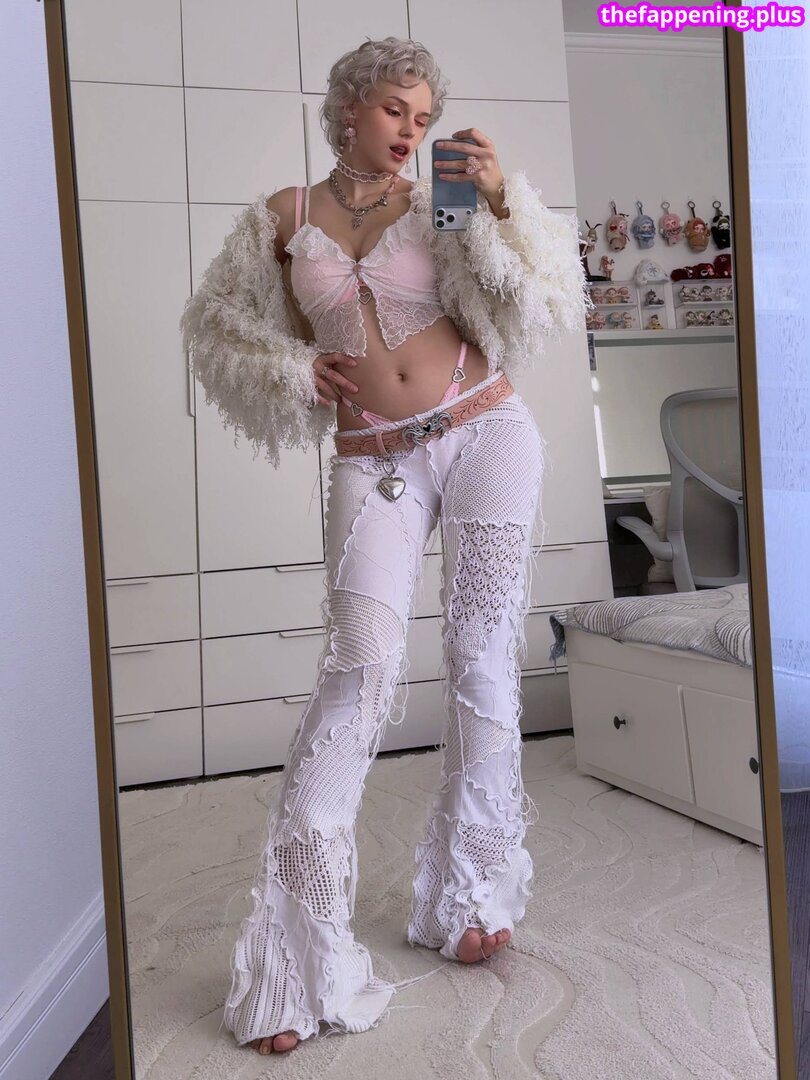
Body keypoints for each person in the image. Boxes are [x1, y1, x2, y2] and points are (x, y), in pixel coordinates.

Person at [179, 35, 589, 1057]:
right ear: (351, 108)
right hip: (373, 459)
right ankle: (295, 962)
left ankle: (471, 898)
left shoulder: (438, 199)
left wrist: (498, 202)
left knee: (481, 658)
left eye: (424, 115)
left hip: (486, 429)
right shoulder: (284, 217)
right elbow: (215, 327)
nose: (411, 130)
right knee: (359, 671)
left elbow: (531, 295)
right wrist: (290, 368)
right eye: (395, 110)